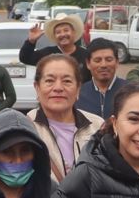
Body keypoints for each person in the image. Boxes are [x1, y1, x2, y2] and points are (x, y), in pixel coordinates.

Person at [29, 53, 101, 182]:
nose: (58, 88)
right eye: (49, 81)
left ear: (78, 88)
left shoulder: (97, 126)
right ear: (37, 87)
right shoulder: (25, 129)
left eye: (67, 81)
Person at [20, 14, 89, 81]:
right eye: (58, 32)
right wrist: (31, 41)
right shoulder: (47, 54)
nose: (63, 34)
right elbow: (25, 58)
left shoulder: (85, 55)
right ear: (55, 36)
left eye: (66, 30)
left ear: (73, 32)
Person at [76, 38, 127, 119]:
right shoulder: (79, 94)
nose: (103, 65)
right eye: (97, 60)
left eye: (109, 60)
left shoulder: (130, 92)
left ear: (117, 62)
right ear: (88, 64)